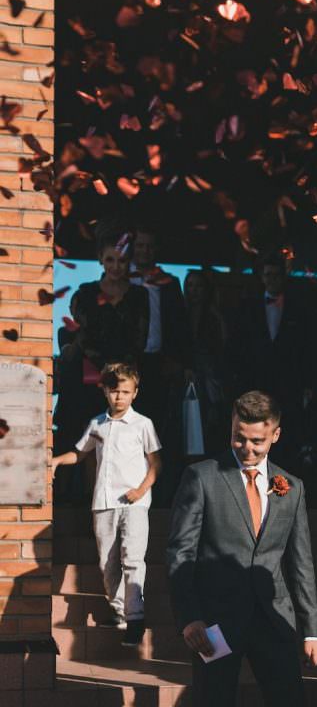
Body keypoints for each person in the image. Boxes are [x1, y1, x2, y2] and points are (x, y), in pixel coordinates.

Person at [166, 389, 317, 707]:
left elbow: (300, 560)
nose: (247, 449)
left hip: (273, 621)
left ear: (275, 434)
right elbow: (181, 552)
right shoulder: (202, 477)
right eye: (239, 438)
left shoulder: (291, 487)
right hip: (214, 625)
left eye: (256, 441)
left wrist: (311, 627)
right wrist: (190, 617)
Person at [52, 362, 162, 647]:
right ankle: (120, 611)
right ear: (105, 391)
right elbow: (79, 453)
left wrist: (141, 490)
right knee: (106, 562)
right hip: (104, 501)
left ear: (135, 393)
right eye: (114, 391)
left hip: (135, 503)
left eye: (125, 391)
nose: (119, 397)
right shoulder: (97, 424)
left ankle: (136, 619)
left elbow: (155, 463)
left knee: (133, 559)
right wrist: (56, 461)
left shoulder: (143, 424)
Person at [60, 233, 150, 436]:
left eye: (122, 261)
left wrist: (120, 371)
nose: (116, 266)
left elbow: (140, 338)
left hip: (125, 376)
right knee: (87, 435)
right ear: (101, 258)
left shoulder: (139, 295)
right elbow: (84, 336)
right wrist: (105, 368)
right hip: (88, 374)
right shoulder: (85, 294)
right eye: (110, 260)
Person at [231, 252, 313, 473]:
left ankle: (281, 478)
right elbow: (239, 346)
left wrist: (306, 383)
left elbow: (306, 347)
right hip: (256, 381)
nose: (272, 279)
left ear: (283, 277)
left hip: (288, 382)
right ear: (262, 277)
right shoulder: (249, 307)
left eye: (276, 275)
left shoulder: (298, 308)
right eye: (268, 275)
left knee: (285, 432)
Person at [130, 226, 193, 499]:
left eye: (149, 246)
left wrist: (180, 361)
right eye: (140, 245)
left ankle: (159, 491)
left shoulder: (169, 282)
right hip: (130, 363)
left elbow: (180, 325)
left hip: (160, 363)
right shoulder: (124, 278)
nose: (145, 251)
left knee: (158, 429)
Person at [183, 269, 229, 455]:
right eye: (190, 285)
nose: (194, 290)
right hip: (186, 375)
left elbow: (223, 345)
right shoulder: (181, 314)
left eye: (199, 286)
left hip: (210, 375)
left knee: (209, 421)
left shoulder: (214, 315)